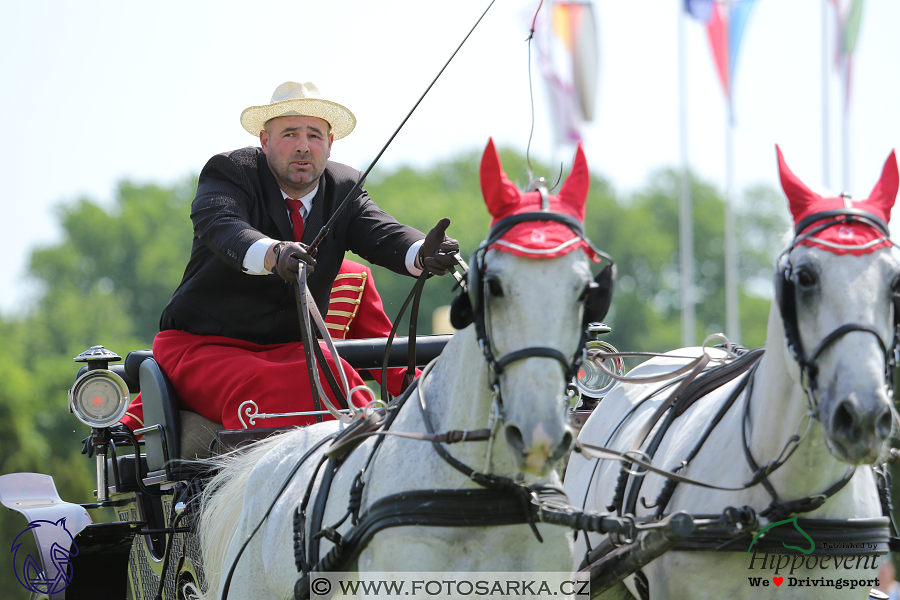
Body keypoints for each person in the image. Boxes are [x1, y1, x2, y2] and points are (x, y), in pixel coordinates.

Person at [124, 81, 457, 430]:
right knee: (271, 387)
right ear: (265, 141)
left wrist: (423, 252)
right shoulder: (231, 172)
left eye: (314, 135)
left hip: (295, 351)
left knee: (341, 381)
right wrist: (274, 253)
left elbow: (382, 232)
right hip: (203, 348)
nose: (303, 146)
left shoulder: (344, 187)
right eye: (290, 134)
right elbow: (221, 224)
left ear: (330, 143)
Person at [119, 259, 418, 432]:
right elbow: (206, 361)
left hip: (332, 410)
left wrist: (432, 391)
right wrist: (127, 424)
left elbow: (387, 358)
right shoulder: (236, 268)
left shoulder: (353, 276)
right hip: (250, 407)